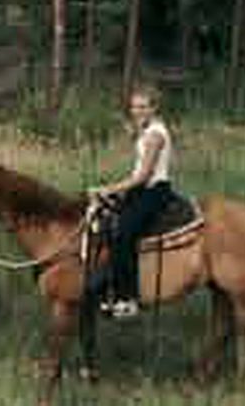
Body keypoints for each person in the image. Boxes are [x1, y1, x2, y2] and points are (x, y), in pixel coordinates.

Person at [88, 85, 175, 318]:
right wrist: (135, 130)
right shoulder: (147, 130)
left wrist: (108, 189)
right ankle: (105, 287)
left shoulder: (156, 135)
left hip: (154, 192)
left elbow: (144, 175)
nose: (137, 111)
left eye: (143, 107)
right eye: (134, 106)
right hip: (140, 190)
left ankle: (128, 299)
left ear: (154, 108)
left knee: (123, 233)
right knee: (102, 222)